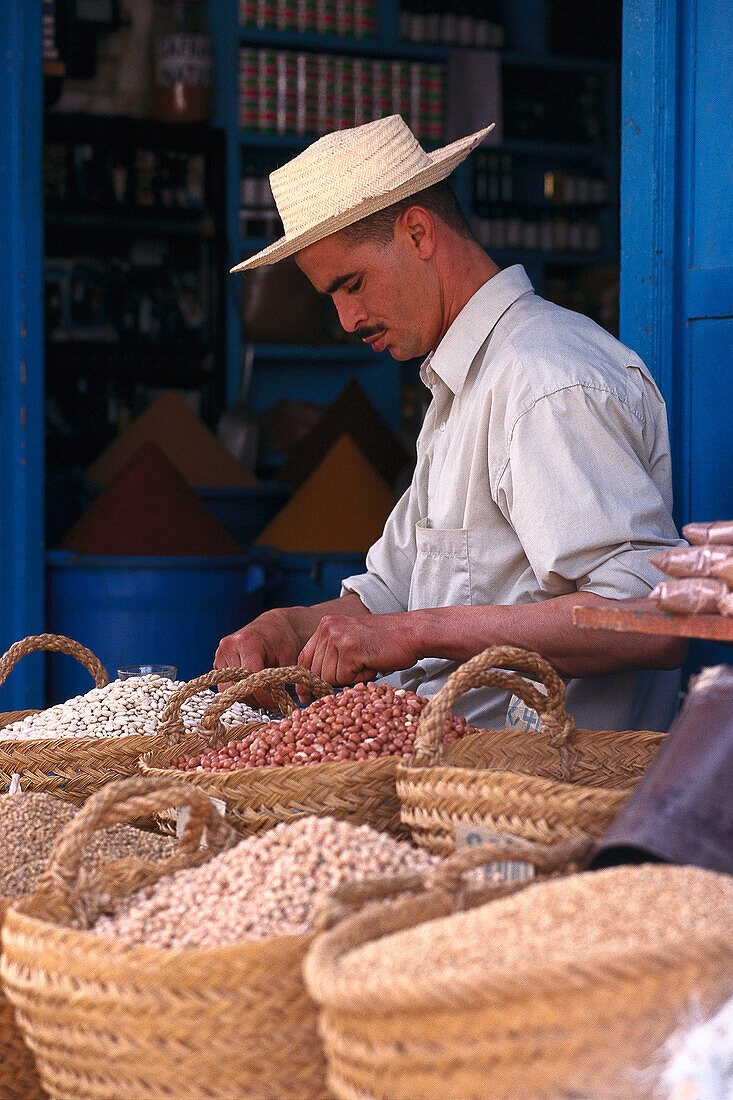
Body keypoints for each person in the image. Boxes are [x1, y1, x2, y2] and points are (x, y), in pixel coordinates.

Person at [217, 114, 687, 732]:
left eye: (352, 284)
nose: (347, 319)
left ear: (417, 232)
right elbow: (389, 596)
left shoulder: (542, 379)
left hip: (550, 804)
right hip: (459, 795)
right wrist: (290, 625)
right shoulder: (458, 391)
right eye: (331, 295)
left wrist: (414, 635)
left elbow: (651, 620)